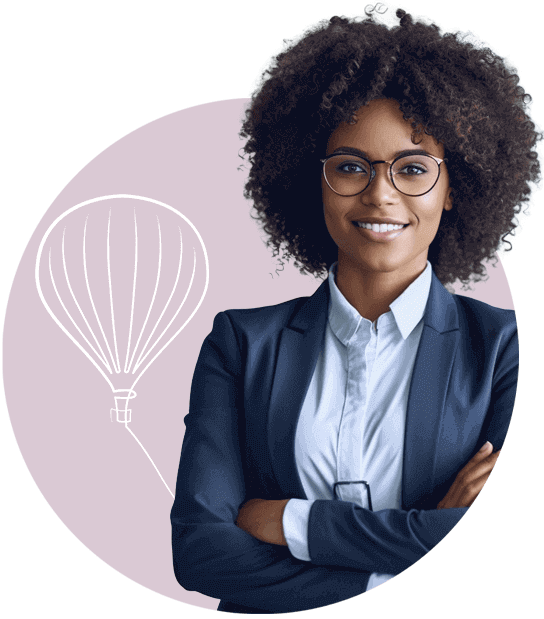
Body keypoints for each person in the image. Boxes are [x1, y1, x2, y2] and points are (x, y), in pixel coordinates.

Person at [170, 7, 536, 613]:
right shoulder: (241, 343)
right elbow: (200, 552)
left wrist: (294, 522)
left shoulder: (502, 351)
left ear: (456, 189)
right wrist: (406, 552)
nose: (380, 192)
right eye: (349, 166)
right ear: (308, 182)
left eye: (413, 168)